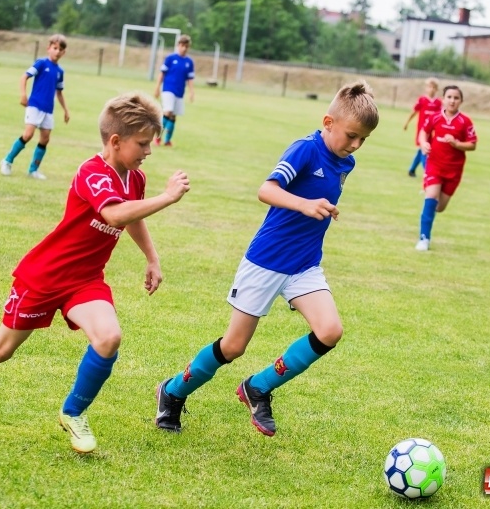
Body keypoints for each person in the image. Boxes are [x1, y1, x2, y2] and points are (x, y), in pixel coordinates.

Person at [0, 93, 192, 455]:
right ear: (115, 141)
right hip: (45, 276)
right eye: (142, 143)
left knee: (108, 338)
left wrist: (152, 258)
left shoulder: (135, 178)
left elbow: (132, 216)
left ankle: (73, 413)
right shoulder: (92, 172)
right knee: (0, 350)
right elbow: (113, 214)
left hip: (86, 280)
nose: (148, 151)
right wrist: (168, 197)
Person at [155, 81, 379, 436]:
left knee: (330, 331)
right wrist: (306, 205)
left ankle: (258, 386)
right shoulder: (305, 150)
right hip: (266, 261)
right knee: (233, 347)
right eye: (351, 135)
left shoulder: (344, 162)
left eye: (363, 139)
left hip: (304, 265)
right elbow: (266, 190)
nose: (355, 145)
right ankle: (171, 392)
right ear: (328, 122)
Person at [415, 85, 477, 251]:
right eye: (449, 97)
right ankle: (424, 238)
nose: (452, 101)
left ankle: (428, 205)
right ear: (443, 99)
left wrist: (456, 144)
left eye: (456, 98)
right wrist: (423, 143)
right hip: (434, 164)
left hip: (454, 170)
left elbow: (472, 145)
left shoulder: (465, 121)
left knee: (439, 207)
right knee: (431, 197)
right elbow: (423, 131)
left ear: (461, 101)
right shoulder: (435, 118)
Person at [0, 34, 70, 180]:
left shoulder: (60, 72)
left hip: (48, 109)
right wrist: (23, 95)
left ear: (64, 52)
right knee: (28, 135)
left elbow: (59, 92)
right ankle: (7, 161)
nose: (57, 51)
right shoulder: (41, 63)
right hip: (35, 105)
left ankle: (33, 170)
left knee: (45, 139)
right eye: (55, 48)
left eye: (60, 49)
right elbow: (24, 77)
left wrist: (65, 110)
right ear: (48, 48)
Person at [153, 34, 195, 147]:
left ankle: (167, 140)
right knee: (168, 111)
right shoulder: (170, 58)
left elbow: (190, 79)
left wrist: (192, 92)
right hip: (168, 89)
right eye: (182, 45)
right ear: (178, 45)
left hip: (179, 92)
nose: (184, 48)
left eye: (186, 46)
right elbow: (162, 74)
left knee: (173, 116)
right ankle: (157, 138)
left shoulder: (189, 62)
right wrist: (157, 88)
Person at [403, 78, 441, 178]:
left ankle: (411, 170)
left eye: (434, 87)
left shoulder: (438, 103)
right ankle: (427, 172)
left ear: (437, 89)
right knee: (425, 149)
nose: (431, 89)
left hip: (432, 131)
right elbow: (414, 112)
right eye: (429, 87)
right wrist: (406, 123)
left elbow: (440, 117)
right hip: (422, 131)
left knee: (422, 150)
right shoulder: (422, 100)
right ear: (426, 88)